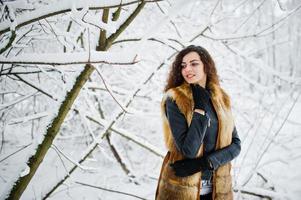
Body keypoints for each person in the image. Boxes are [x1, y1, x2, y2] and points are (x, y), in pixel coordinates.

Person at [155, 45, 241, 200]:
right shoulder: (175, 99)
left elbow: (236, 145)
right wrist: (199, 108)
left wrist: (205, 163)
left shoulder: (221, 98)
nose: (187, 69)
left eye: (194, 63)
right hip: (182, 189)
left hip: (219, 190)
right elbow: (189, 150)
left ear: (206, 66)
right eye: (183, 65)